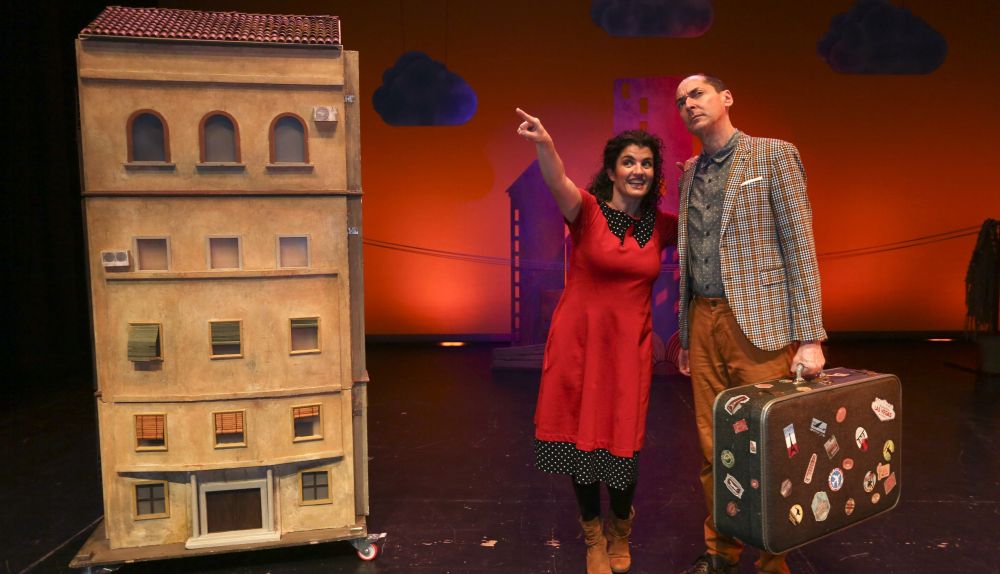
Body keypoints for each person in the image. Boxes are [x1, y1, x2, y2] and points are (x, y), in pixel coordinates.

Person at [672, 74, 827, 574]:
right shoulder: (689, 171)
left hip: (757, 322)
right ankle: (721, 551)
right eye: (680, 100)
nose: (688, 104)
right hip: (703, 318)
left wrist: (810, 337)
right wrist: (685, 331)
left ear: (726, 98)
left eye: (697, 94)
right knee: (712, 444)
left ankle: (773, 558)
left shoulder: (773, 155)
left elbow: (799, 246)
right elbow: (689, 255)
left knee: (766, 444)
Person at [515, 108, 678, 574]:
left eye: (646, 163)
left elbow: (706, 224)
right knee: (579, 442)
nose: (638, 170)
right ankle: (592, 536)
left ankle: (620, 528)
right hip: (579, 345)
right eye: (629, 162)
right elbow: (557, 181)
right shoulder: (586, 211)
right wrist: (545, 144)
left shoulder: (662, 226)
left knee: (623, 441)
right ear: (611, 171)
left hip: (628, 350)